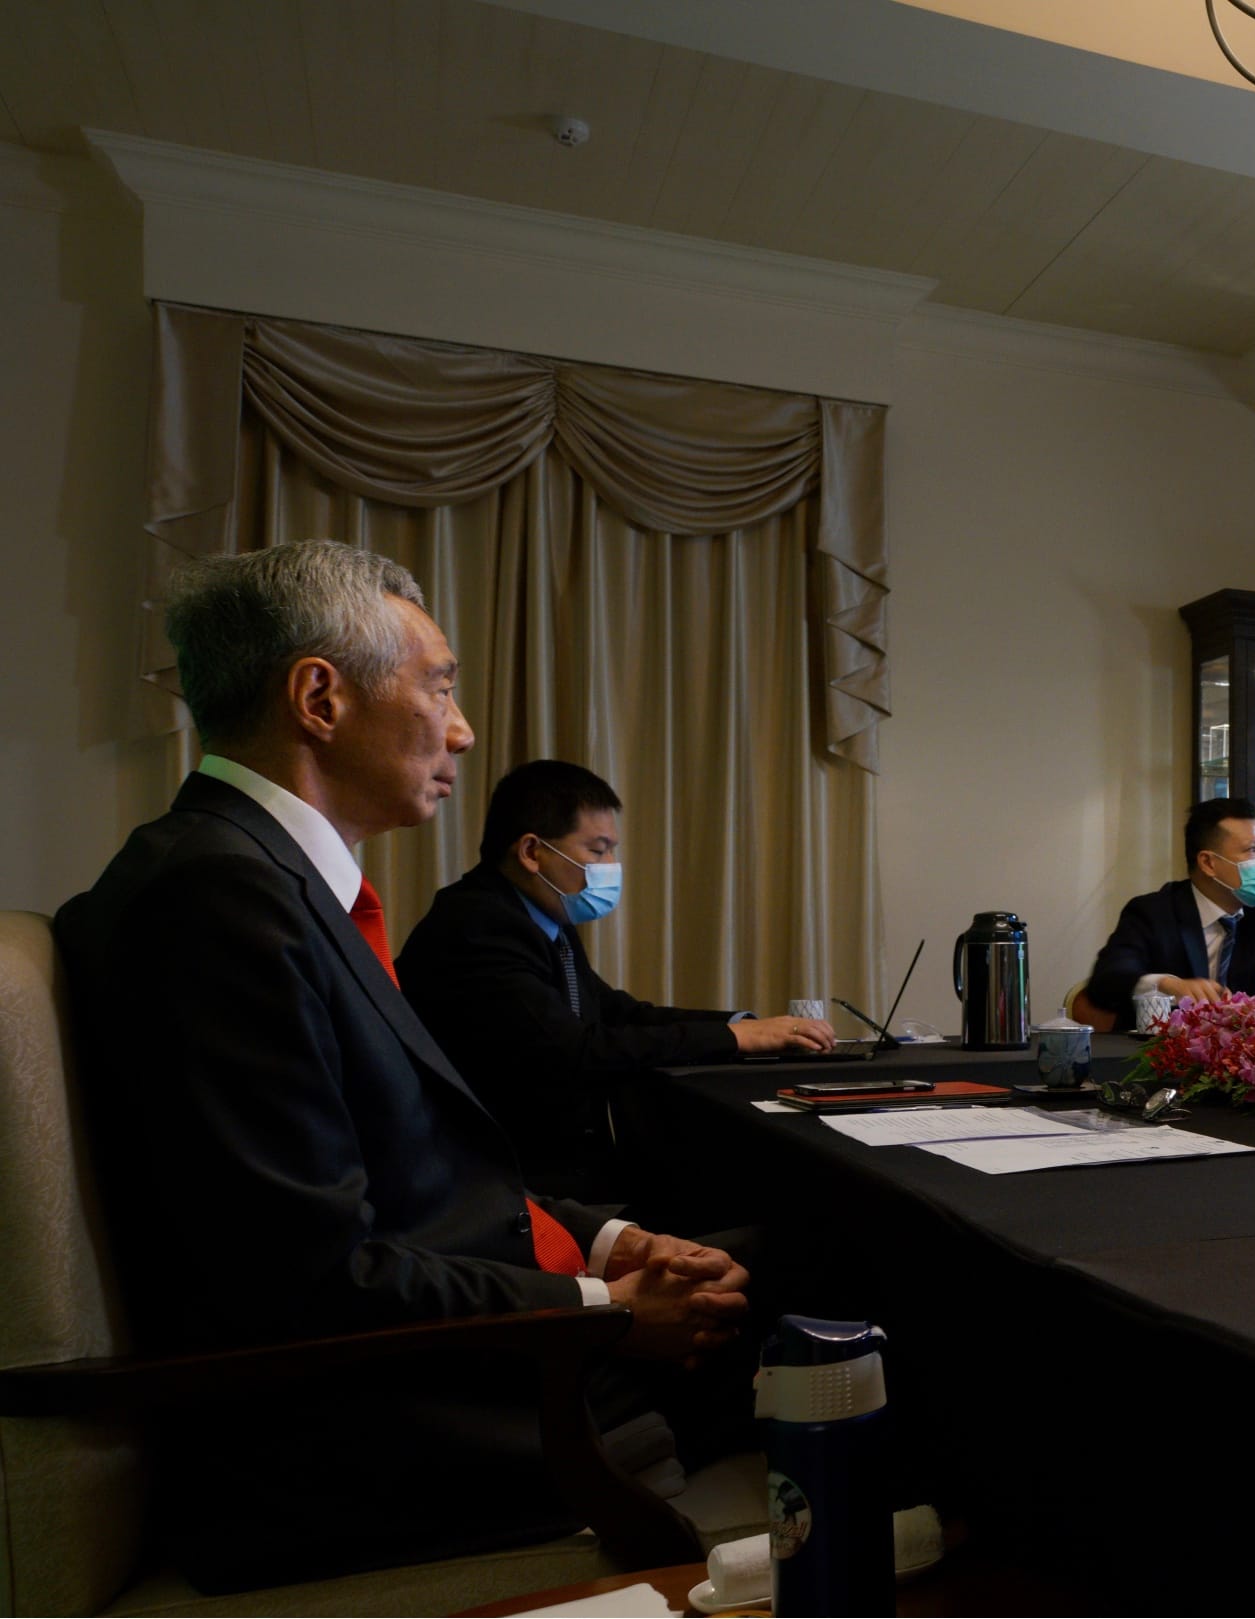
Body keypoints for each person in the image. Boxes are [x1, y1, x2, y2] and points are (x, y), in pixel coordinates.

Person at [54, 542, 753, 1590]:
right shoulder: (213, 901)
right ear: (319, 698)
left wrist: (611, 1240)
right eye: (439, 685)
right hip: (387, 1429)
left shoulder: (261, 880)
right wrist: (605, 1311)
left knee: (781, 1268)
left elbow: (419, 1165)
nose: (462, 729)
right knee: (853, 1293)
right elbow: (303, 1277)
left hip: (458, 1344)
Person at [397, 760, 836, 1200]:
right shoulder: (478, 926)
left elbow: (616, 1011)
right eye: (598, 850)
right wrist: (735, 1037)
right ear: (532, 852)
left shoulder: (539, 915)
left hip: (551, 1162)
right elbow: (577, 1049)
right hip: (500, 1180)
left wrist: (746, 1025)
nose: (611, 866)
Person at [1072, 796, 1255, 1030]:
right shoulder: (1153, 912)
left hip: (1245, 1061)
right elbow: (1106, 981)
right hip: (1159, 1059)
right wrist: (1166, 985)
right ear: (1208, 863)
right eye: (1253, 850)